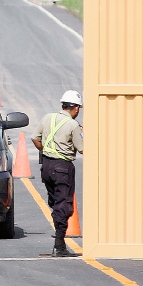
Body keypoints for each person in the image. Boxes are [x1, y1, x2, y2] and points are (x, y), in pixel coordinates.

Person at [31, 89, 83, 257]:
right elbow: (82, 148)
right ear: (75, 108)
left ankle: (59, 242)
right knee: (64, 205)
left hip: (46, 166)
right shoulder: (73, 125)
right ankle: (59, 245)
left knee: (55, 203)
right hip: (63, 168)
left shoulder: (48, 118)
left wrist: (45, 151)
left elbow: (35, 138)